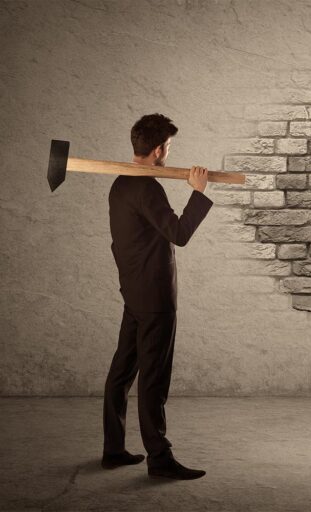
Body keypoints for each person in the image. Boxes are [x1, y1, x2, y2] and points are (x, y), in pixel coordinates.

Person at [101, 113, 213, 480]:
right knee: (153, 379)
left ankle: (114, 449)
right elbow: (179, 233)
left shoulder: (120, 184)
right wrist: (198, 191)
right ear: (159, 149)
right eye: (169, 147)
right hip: (155, 299)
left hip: (133, 292)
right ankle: (159, 459)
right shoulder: (147, 188)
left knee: (122, 372)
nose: (170, 152)